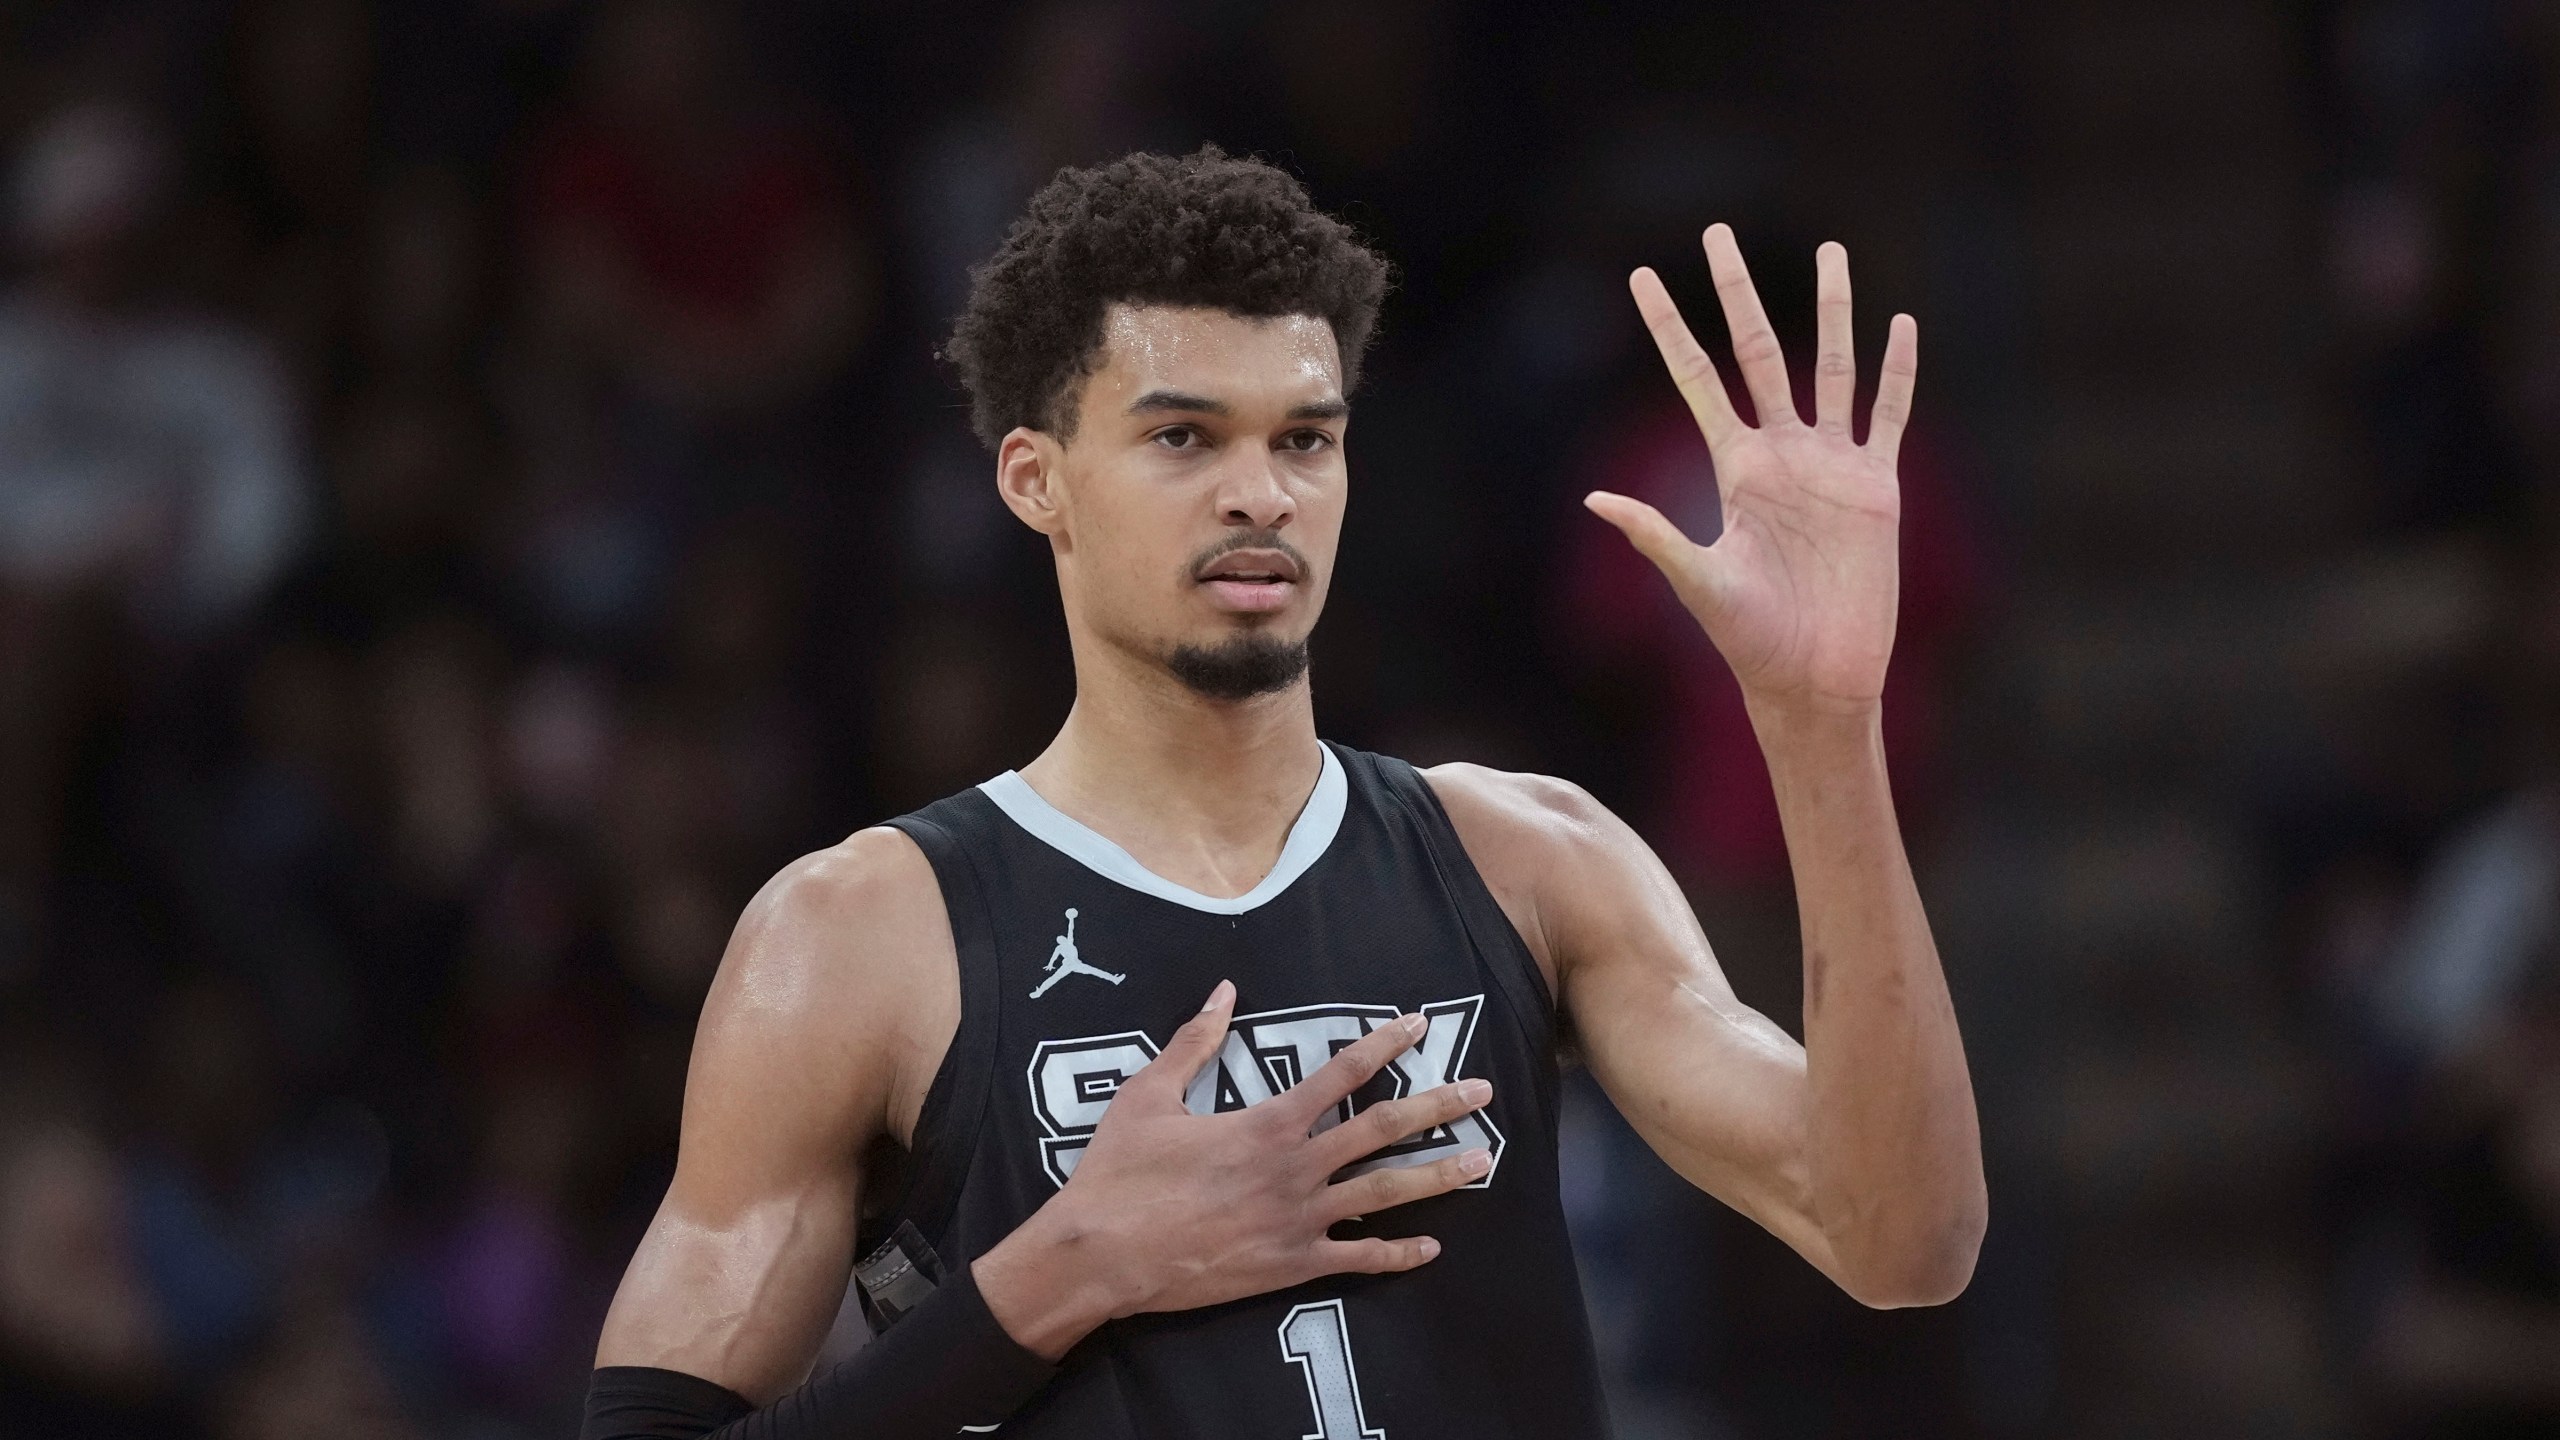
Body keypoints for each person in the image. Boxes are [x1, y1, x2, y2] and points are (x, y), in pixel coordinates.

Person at [581, 147, 1984, 1439]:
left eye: (1303, 440)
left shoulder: (1529, 856)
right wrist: (1060, 1274)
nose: (1260, 494)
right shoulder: (859, 933)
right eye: (1184, 438)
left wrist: (1821, 728)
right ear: (1037, 481)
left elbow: (1901, 1239)